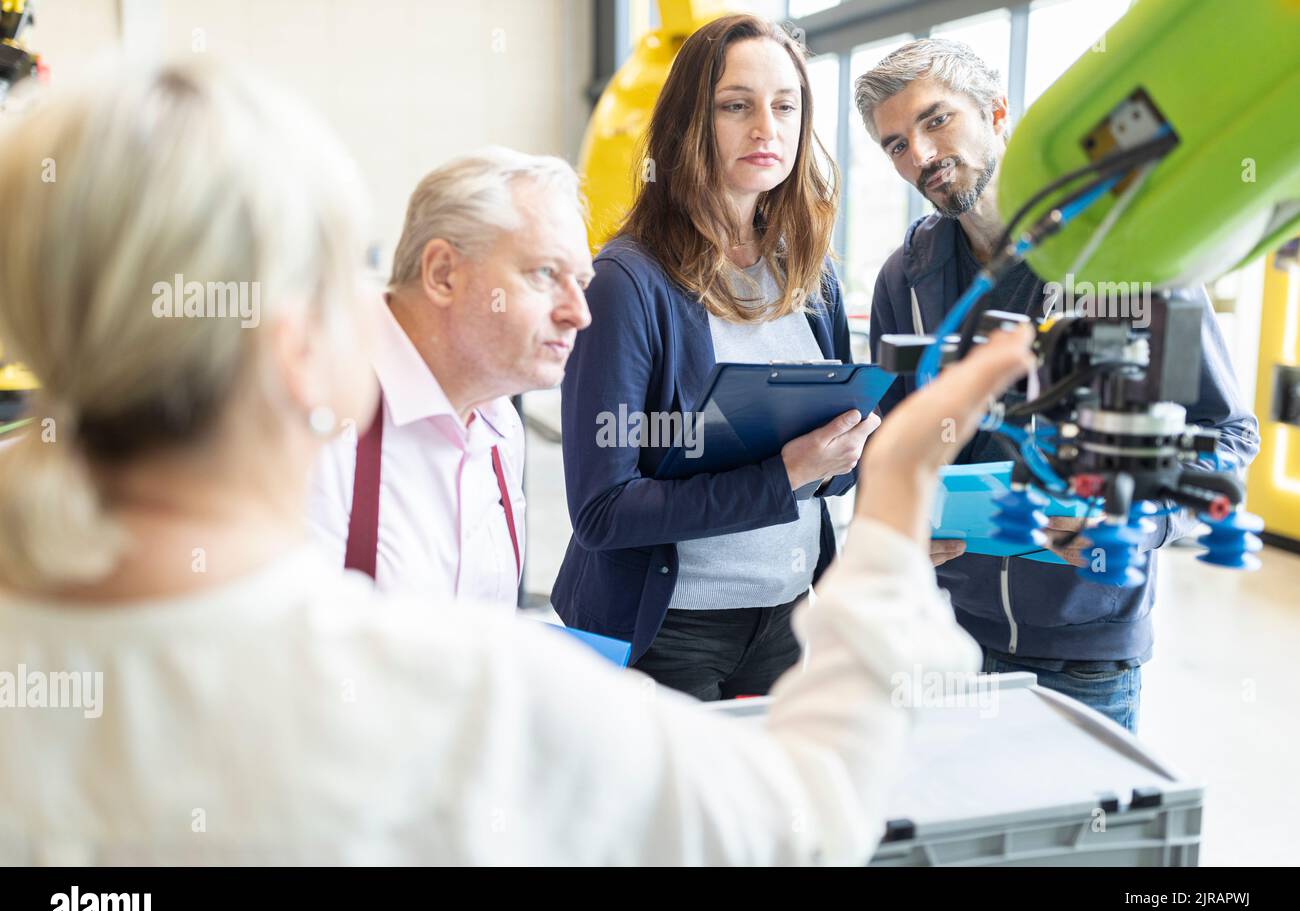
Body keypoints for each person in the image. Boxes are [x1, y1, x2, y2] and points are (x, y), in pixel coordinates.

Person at [0, 57, 1033, 866]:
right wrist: (894, 511)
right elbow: (802, 816)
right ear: (298, 347)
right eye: (347, 277)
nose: (579, 313)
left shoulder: (492, 433)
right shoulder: (450, 693)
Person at [854, 39, 1260, 732]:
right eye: (895, 144)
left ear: (997, 113)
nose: (919, 155)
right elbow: (894, 443)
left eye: (936, 120)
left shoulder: (1123, 251)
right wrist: (901, 525)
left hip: (1086, 649)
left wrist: (1141, 520)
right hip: (949, 637)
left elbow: (1227, 437)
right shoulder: (905, 277)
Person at [552, 14, 879, 701]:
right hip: (665, 631)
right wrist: (785, 474)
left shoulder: (810, 273)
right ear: (687, 125)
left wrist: (847, 452)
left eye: (784, 106)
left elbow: (829, 474)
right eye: (736, 106)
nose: (766, 129)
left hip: (788, 618)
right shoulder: (626, 283)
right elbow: (603, 511)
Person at [308, 149, 593, 602]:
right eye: (545, 274)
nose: (579, 313)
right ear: (443, 274)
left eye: (582, 282)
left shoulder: (500, 426)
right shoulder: (318, 418)